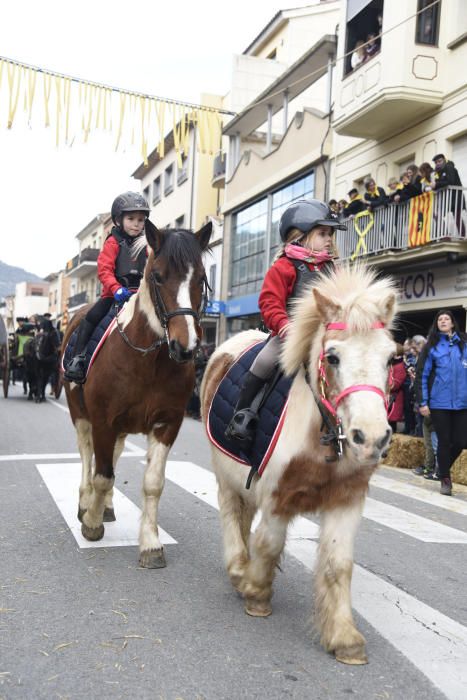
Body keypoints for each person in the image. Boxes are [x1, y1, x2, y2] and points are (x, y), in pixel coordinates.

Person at [225, 199, 345, 447]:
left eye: (330, 234)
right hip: (288, 336)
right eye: (322, 233)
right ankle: (242, 416)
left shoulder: (333, 268)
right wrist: (285, 326)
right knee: (264, 362)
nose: (328, 239)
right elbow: (269, 303)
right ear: (300, 235)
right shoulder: (284, 266)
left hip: (325, 337)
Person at [64, 191, 150, 383]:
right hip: (114, 295)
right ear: (119, 220)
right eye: (131, 219)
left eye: (141, 220)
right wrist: (116, 288)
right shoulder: (112, 242)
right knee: (91, 317)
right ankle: (77, 359)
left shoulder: (147, 244)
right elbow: (104, 270)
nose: (137, 224)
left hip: (142, 296)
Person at [420, 310, 467, 496]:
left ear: (453, 323)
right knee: (444, 441)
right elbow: (422, 376)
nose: (443, 321)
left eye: (447, 318)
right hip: (439, 402)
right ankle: (445, 479)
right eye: (440, 319)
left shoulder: (463, 345)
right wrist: (423, 402)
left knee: (461, 441)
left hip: (463, 402)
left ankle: (442, 467)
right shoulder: (431, 347)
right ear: (436, 324)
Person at [387, 344, 407, 432]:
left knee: (392, 422)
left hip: (395, 398)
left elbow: (396, 384)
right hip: (390, 396)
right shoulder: (393, 364)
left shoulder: (400, 365)